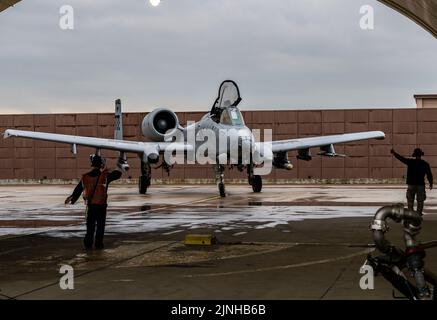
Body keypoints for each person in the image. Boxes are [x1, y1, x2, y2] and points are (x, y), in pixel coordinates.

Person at [65, 154, 122, 250]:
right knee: (100, 227)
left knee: (90, 226)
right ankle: (98, 244)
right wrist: (110, 168)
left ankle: (88, 244)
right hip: (101, 206)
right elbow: (118, 174)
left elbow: (78, 189)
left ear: (92, 164)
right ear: (101, 164)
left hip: (90, 206)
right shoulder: (105, 176)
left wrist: (72, 198)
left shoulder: (85, 177)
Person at [391, 148, 433, 216]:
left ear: (415, 155)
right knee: (420, 201)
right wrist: (430, 183)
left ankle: (411, 214)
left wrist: (394, 153)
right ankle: (418, 215)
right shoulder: (425, 164)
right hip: (420, 185)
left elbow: (401, 158)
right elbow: (429, 174)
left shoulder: (410, 162)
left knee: (410, 201)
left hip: (411, 184)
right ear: (421, 155)